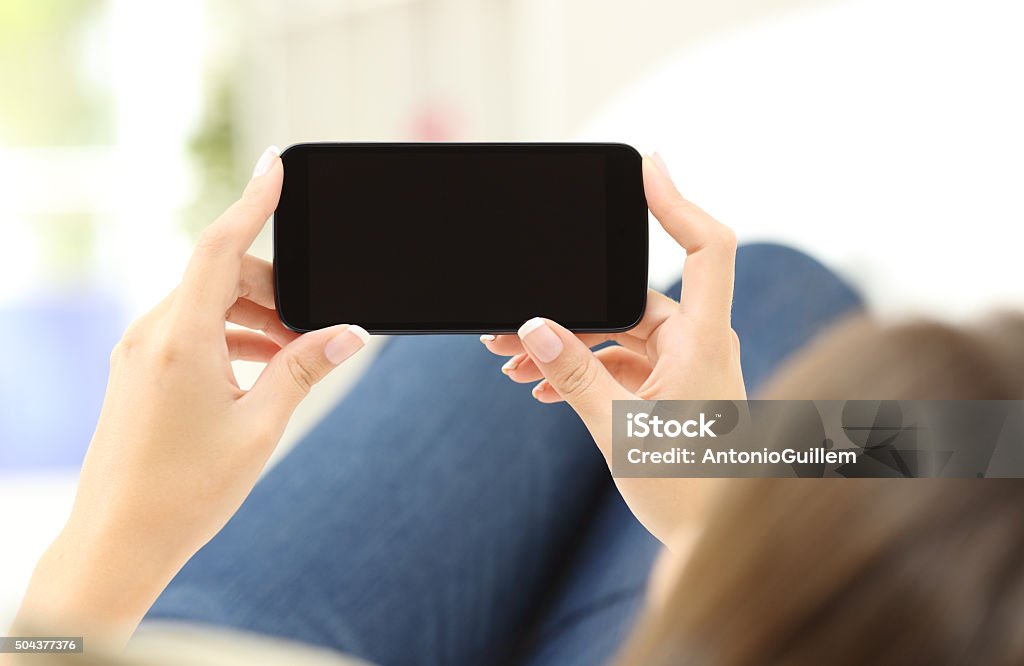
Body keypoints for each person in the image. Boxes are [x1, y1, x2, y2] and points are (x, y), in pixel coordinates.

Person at [13, 146, 1019, 665]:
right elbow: (982, 445)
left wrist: (98, 558)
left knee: (776, 285)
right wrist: (709, 475)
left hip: (237, 643)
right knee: (776, 282)